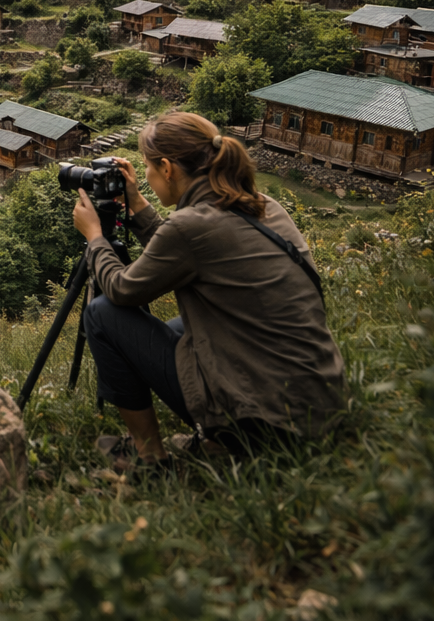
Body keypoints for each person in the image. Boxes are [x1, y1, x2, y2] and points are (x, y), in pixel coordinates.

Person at [70, 111, 346, 469]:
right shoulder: (262, 206)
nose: (148, 177)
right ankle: (213, 441)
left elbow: (123, 289)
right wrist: (137, 204)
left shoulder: (190, 227)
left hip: (265, 427)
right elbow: (189, 249)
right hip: (319, 403)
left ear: (167, 169)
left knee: (103, 313)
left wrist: (94, 238)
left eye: (149, 169)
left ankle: (149, 457)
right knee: (175, 331)